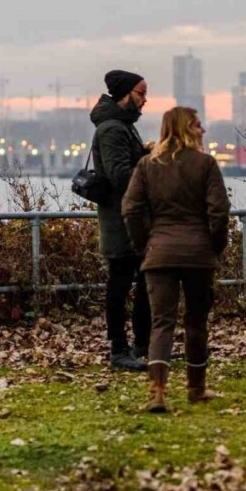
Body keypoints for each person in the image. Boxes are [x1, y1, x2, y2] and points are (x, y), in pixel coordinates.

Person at [122, 107, 231, 413]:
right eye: (197, 125)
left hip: (159, 252)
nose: (203, 130)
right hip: (198, 254)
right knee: (196, 320)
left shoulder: (147, 165)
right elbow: (219, 211)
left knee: (161, 322)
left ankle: (157, 392)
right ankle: (196, 388)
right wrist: (215, 246)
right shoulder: (205, 164)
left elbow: (130, 209)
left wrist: (144, 244)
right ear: (185, 128)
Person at [91, 70, 152, 371]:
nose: (145, 100)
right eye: (141, 93)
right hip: (120, 220)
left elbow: (127, 165)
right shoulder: (113, 129)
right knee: (119, 284)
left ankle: (143, 344)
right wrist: (151, 164)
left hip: (134, 218)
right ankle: (119, 348)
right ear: (125, 94)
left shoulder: (124, 126)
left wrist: (143, 153)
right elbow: (120, 176)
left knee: (145, 280)